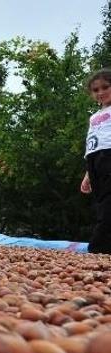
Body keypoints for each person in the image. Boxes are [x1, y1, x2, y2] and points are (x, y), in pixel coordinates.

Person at [81, 68, 111, 253]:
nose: (100, 92)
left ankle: (98, 249)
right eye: (95, 90)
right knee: (101, 203)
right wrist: (87, 174)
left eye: (105, 87)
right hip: (95, 161)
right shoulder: (94, 116)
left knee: (109, 202)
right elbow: (92, 143)